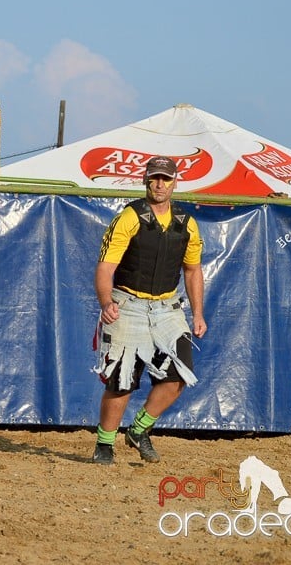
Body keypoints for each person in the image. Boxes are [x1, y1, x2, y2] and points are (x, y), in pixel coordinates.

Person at [91, 155, 207, 465]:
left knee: (179, 374)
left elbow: (193, 270)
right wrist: (107, 303)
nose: (159, 184)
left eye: (165, 179)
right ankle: (104, 443)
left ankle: (139, 429)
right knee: (121, 380)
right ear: (146, 180)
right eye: (154, 178)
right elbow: (105, 268)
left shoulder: (187, 223)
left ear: (174, 182)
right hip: (128, 304)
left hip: (168, 308)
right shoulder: (129, 217)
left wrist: (198, 314)